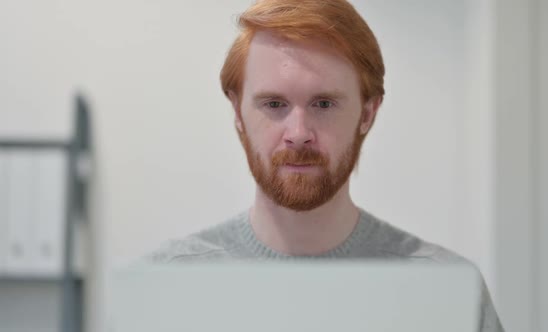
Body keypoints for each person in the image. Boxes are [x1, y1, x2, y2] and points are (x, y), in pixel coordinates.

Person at [150, 1, 504, 331]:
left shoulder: (445, 294)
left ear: (367, 113)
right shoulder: (162, 287)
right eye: (274, 104)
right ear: (238, 111)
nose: (299, 134)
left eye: (323, 103)